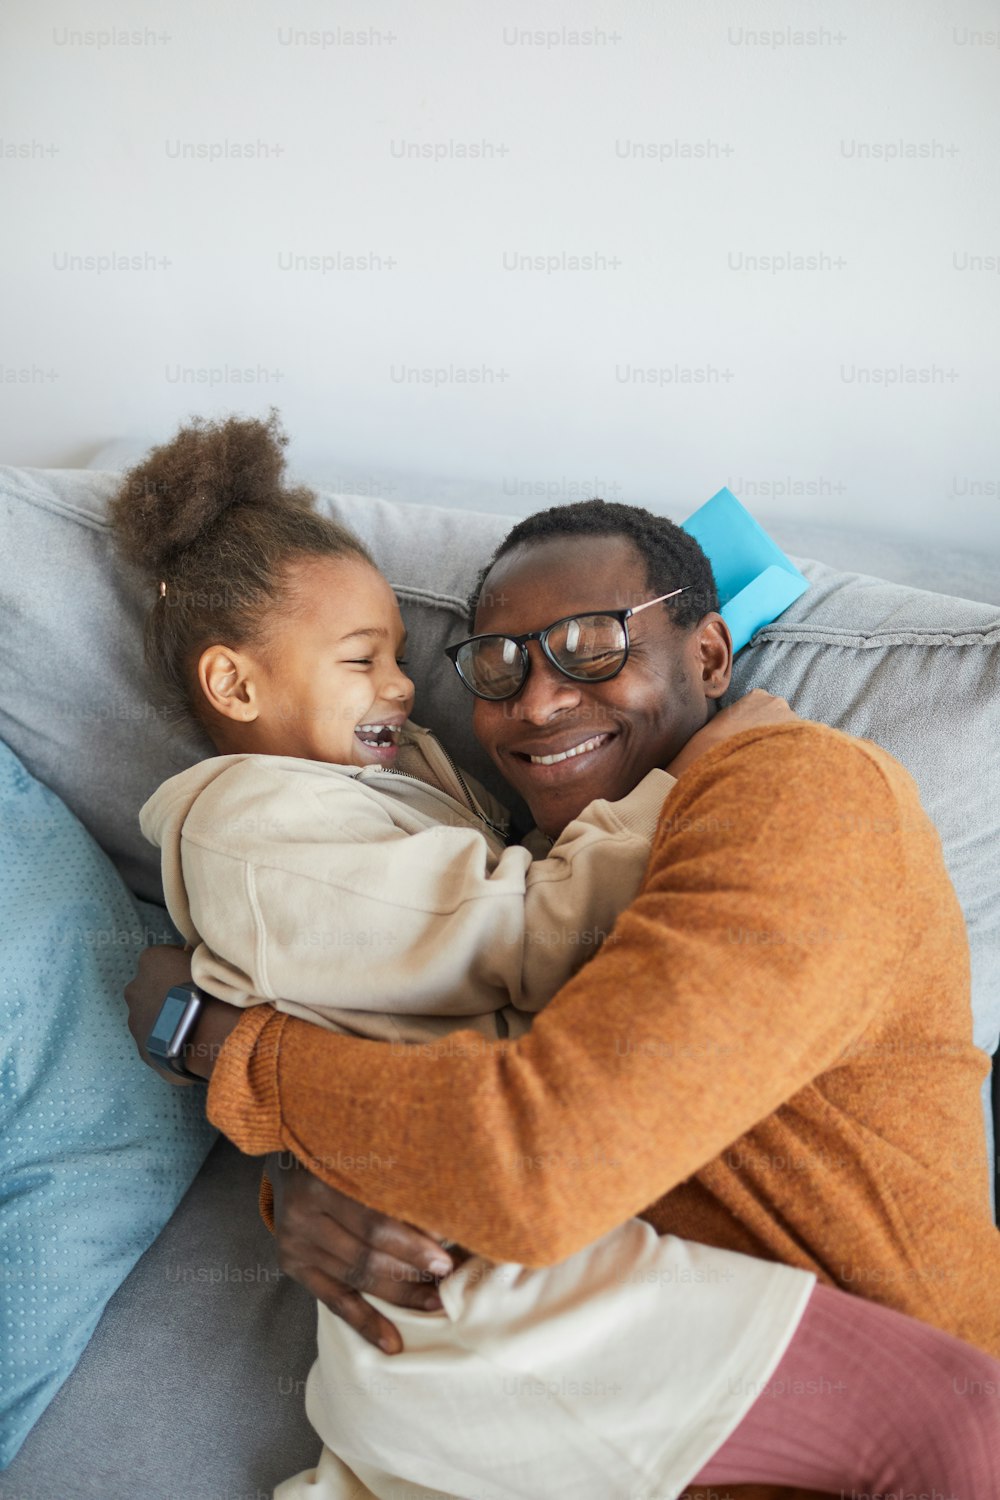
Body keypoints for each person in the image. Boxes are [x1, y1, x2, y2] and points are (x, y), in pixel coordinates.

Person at [121, 423, 1000, 1499]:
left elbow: (536, 1162)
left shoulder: (800, 795)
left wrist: (224, 1050)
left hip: (829, 1419)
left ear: (712, 658)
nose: (534, 702)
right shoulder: (533, 855)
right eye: (495, 665)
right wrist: (312, 1182)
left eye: (593, 643)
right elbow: (451, 1053)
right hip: (571, 1389)